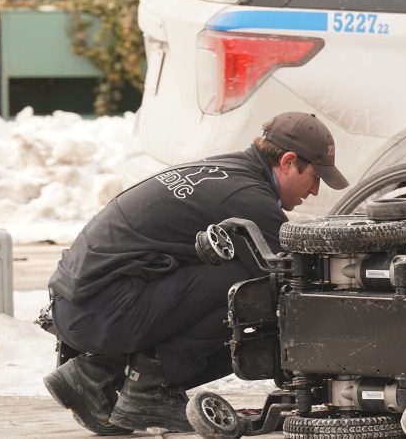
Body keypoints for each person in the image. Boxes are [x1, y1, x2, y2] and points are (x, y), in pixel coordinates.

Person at [43, 112, 349, 435]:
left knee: (239, 275)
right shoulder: (247, 197)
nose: (315, 190)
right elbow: (298, 275)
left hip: (82, 305)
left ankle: (94, 376)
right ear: (288, 162)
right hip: (98, 310)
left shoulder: (229, 171)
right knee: (255, 291)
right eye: (315, 177)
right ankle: (150, 389)